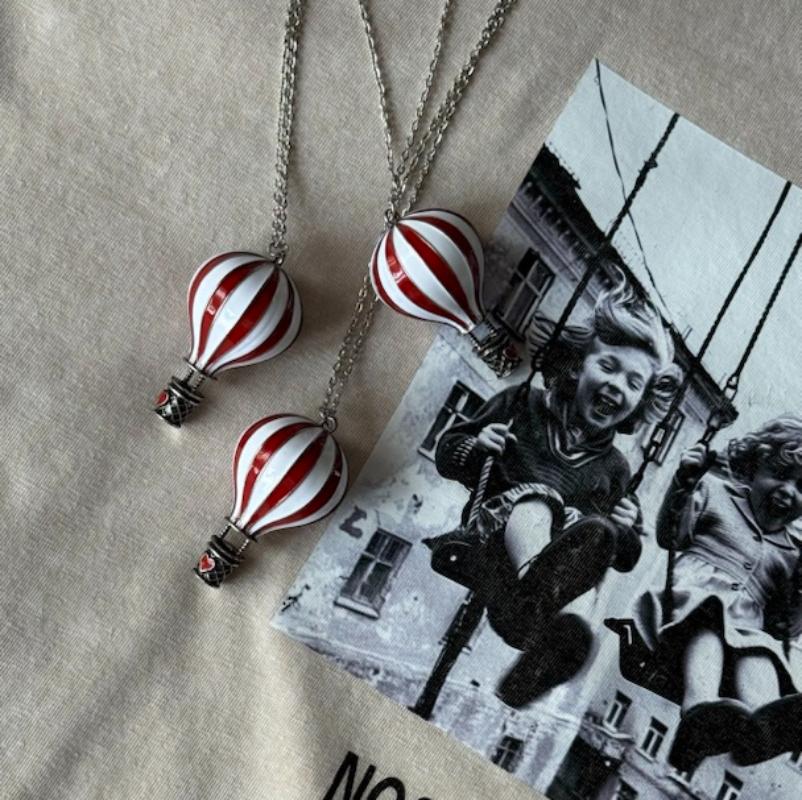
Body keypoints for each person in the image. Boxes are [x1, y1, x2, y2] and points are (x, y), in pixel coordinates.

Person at [428, 279, 681, 706]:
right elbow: (448, 451)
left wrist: (626, 529)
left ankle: (549, 655)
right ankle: (535, 595)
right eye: (608, 367)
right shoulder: (522, 405)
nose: (618, 385)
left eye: (634, 383)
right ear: (577, 365)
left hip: (546, 598)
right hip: (492, 551)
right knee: (540, 502)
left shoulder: (616, 468)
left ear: (640, 402)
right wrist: (478, 446)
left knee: (595, 538)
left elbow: (625, 556)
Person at [631, 417, 802, 772]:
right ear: (752, 467)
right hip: (684, 610)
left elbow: (784, 626)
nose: (789, 491)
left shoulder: (794, 554)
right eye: (779, 475)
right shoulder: (714, 492)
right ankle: (698, 711)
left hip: (744, 632)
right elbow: (670, 536)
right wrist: (683, 482)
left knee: (763, 651)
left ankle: (762, 724)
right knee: (709, 620)